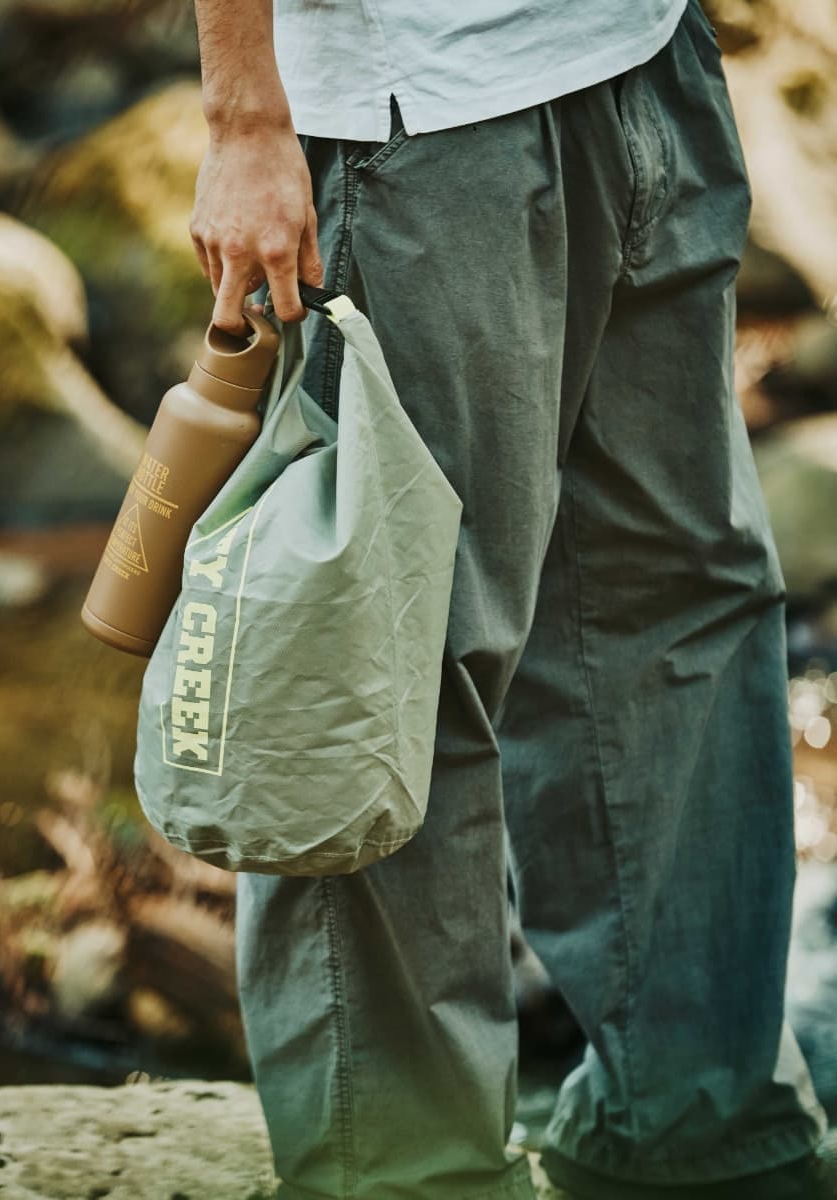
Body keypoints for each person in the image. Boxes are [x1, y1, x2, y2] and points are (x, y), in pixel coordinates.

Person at [187, 2, 834, 1197]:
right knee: (383, 666)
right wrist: (243, 110)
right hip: (415, 118)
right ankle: (400, 1176)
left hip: (645, 65)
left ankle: (696, 1137)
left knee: (681, 612)